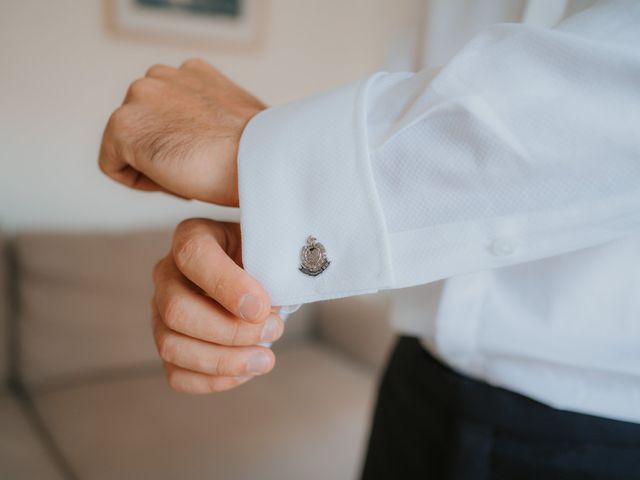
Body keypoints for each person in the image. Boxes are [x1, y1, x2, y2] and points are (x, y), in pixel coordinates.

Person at [99, 1, 640, 478]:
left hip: (601, 434)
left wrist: (260, 151)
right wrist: (264, 252)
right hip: (412, 387)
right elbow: (431, 109)